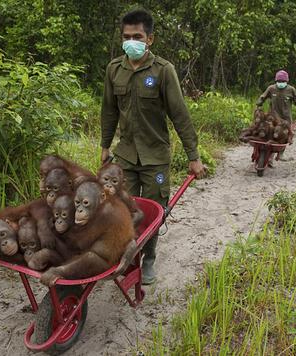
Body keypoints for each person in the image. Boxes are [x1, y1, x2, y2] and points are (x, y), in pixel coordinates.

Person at [100, 9, 206, 285]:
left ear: (150, 39)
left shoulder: (163, 71)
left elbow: (179, 115)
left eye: (137, 36)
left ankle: (148, 258)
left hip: (155, 159)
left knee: (155, 208)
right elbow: (109, 112)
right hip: (125, 155)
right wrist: (104, 146)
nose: (130, 41)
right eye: (126, 37)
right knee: (123, 208)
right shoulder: (114, 70)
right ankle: (125, 255)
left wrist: (193, 156)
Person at [256, 70, 296, 161]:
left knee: (284, 136)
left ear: (287, 81)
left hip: (286, 118)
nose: (281, 83)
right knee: (270, 134)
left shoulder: (291, 90)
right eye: (279, 81)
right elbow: (263, 97)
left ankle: (281, 154)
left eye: (283, 82)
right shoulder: (271, 88)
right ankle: (269, 156)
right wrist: (258, 105)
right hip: (273, 117)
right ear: (276, 81)